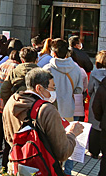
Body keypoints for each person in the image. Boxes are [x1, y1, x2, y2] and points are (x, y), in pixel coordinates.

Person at [2, 68, 83, 171]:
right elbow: (62, 153)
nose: (54, 91)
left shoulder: (11, 101)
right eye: (52, 87)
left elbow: (8, 136)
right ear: (39, 88)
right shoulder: (47, 110)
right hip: (42, 168)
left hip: (16, 164)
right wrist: (72, 134)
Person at [43, 38, 85, 175]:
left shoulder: (47, 69)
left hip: (51, 111)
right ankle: (67, 171)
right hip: (70, 111)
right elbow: (79, 90)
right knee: (71, 140)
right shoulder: (76, 68)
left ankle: (53, 169)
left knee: (51, 142)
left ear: (53, 52)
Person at [0, 39, 23, 158]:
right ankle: (7, 150)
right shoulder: (17, 68)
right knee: (8, 127)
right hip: (9, 103)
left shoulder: (2, 65)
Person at [86, 50, 106, 158]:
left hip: (96, 102)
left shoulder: (94, 73)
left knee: (94, 127)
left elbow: (90, 90)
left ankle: (94, 151)